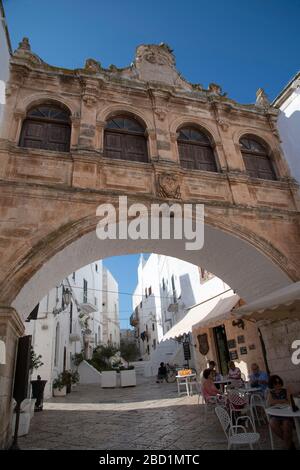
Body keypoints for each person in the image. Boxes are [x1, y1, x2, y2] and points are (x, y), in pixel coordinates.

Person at [266, 375, 295, 450]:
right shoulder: (271, 393)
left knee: (286, 424)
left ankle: (288, 446)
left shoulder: (286, 390)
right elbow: (269, 404)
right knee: (272, 423)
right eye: (275, 383)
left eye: (279, 382)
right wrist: (283, 401)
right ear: (272, 384)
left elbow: (290, 401)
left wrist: (276, 402)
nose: (278, 384)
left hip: (287, 414)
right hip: (276, 414)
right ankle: (290, 443)